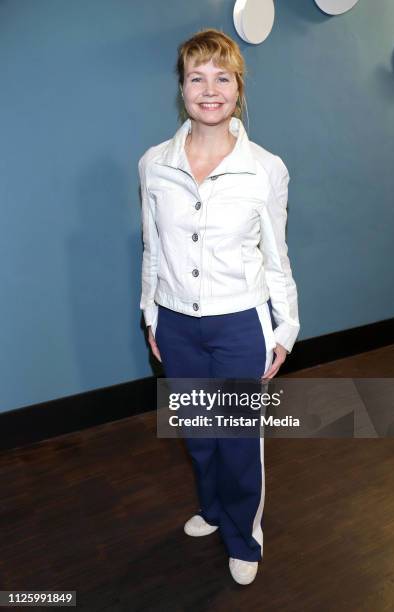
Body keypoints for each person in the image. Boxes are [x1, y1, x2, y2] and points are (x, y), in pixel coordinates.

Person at [138, 28, 300, 585]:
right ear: (181, 87)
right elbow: (152, 248)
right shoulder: (153, 164)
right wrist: (151, 313)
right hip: (176, 323)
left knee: (236, 440)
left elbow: (278, 258)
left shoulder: (266, 169)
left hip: (240, 324)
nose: (209, 90)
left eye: (222, 77)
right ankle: (211, 510)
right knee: (198, 434)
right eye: (196, 77)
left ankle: (244, 535)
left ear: (238, 87)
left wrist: (286, 330)